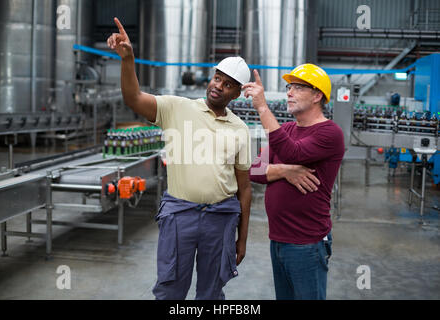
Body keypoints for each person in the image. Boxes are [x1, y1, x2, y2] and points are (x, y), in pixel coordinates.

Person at [107, 17, 252, 300]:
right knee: (171, 289)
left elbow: (244, 188)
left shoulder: (241, 130)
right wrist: (128, 60)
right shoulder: (177, 108)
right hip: (180, 215)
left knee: (211, 291)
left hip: (221, 219)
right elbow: (133, 98)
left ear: (237, 92)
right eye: (217, 78)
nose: (219, 86)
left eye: (228, 84)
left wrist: (242, 239)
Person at [245, 64, 345, 300]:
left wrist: (261, 106)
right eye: (289, 87)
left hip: (307, 243)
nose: (289, 92)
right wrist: (284, 171)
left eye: (298, 87)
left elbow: (292, 153)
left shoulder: (330, 133)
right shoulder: (288, 129)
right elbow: (254, 170)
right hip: (278, 239)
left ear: (317, 95)